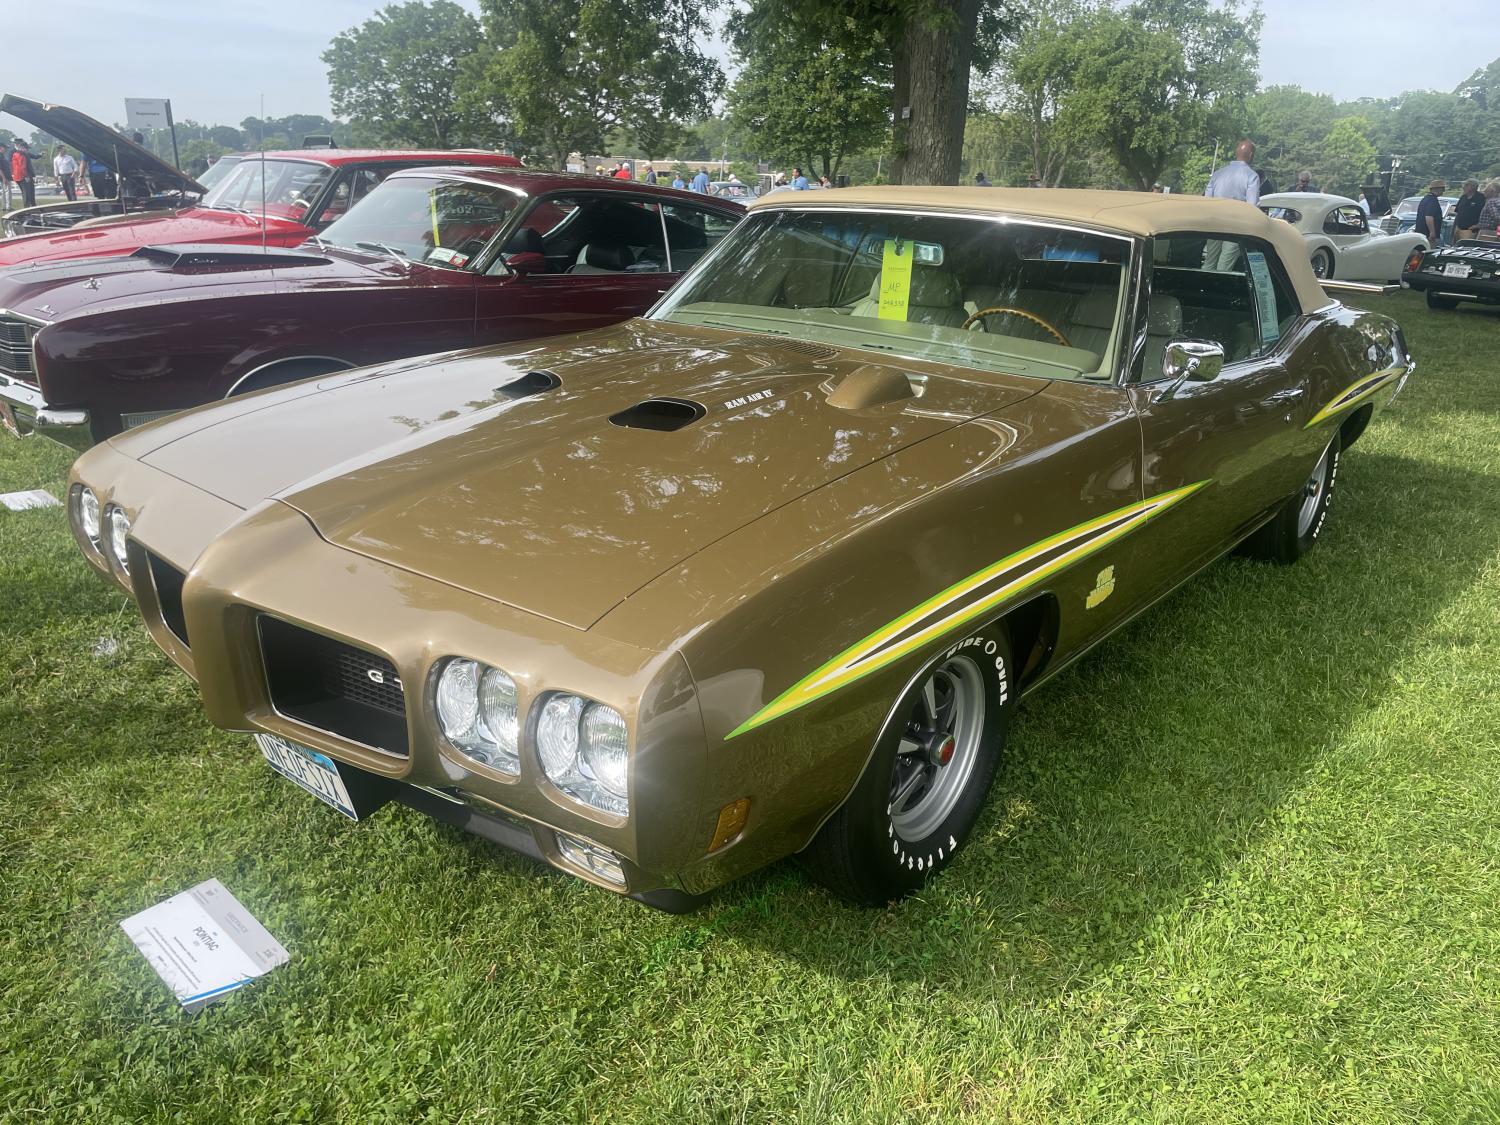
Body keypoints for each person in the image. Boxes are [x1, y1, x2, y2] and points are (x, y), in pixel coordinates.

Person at [1202, 139, 1260, 271]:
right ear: (1251, 155)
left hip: (1214, 221)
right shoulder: (1252, 176)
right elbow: (1252, 207)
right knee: (1225, 263)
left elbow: (1207, 200)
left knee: (1210, 260)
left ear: (1236, 153)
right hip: (1236, 225)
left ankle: (1203, 280)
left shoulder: (1217, 174)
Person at [1415, 180, 1446, 246]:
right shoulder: (1432, 200)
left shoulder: (1426, 198)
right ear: (1438, 189)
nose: (1443, 191)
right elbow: (1429, 217)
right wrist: (1432, 232)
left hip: (1421, 233)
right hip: (1427, 234)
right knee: (1429, 249)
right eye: (1442, 189)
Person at [11, 139, 38, 208]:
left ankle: (31, 205)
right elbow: (23, 167)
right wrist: (26, 176)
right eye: (26, 149)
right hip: (23, 176)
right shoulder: (21, 155)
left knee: (27, 192)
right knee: (27, 193)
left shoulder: (15, 154)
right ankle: (27, 207)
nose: (27, 150)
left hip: (18, 176)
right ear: (22, 148)